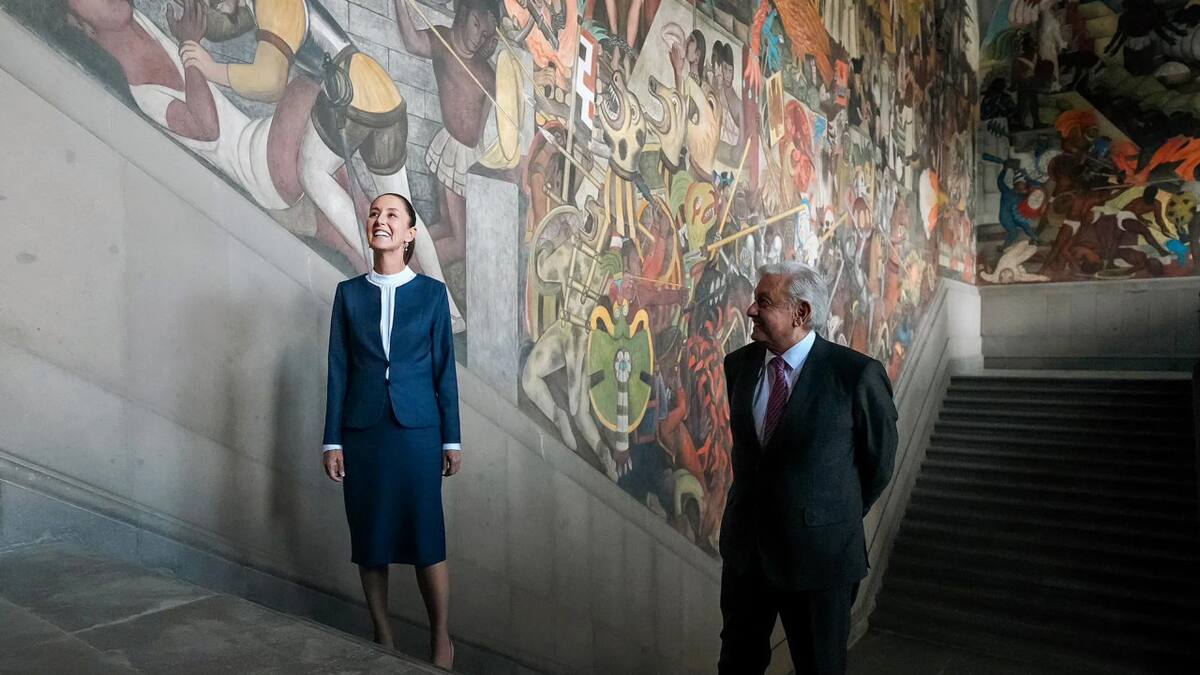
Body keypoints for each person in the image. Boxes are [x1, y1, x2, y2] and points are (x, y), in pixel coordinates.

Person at [718, 262, 898, 675]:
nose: (750, 310)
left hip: (821, 560)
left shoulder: (856, 375)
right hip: (746, 556)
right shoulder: (738, 366)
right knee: (736, 663)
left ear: (801, 313)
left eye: (763, 302)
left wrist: (824, 516)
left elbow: (879, 464)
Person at [321, 193, 463, 668]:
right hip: (363, 432)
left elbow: (445, 372)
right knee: (371, 535)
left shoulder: (432, 295)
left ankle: (440, 639)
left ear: (410, 234)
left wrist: (451, 438)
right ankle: (382, 635)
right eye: (374, 213)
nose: (379, 219)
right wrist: (332, 439)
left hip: (418, 431)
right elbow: (338, 370)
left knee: (426, 536)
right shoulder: (348, 294)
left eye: (391, 215)